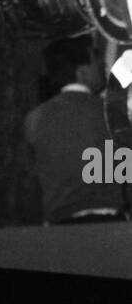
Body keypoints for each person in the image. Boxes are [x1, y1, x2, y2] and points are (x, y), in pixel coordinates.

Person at [24, 35, 128, 224]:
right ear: (82, 72)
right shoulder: (112, 114)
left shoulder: (33, 120)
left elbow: (34, 180)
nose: (103, 67)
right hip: (110, 226)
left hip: (59, 230)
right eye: (96, 61)